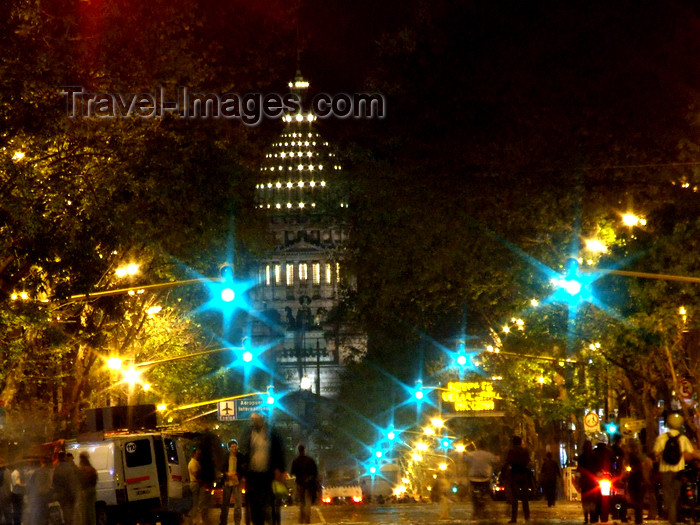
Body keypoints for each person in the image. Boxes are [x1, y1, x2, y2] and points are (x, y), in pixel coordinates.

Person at [239, 412, 286, 525]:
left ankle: (270, 520)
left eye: (256, 420)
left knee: (268, 501)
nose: (254, 422)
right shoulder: (248, 433)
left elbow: (279, 451)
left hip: (267, 474)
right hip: (253, 474)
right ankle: (257, 521)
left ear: (262, 420)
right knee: (254, 503)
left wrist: (280, 469)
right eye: (252, 420)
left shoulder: (272, 433)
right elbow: (244, 450)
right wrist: (243, 470)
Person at [653, 412, 695, 525]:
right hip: (678, 471)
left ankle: (672, 517)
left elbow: (656, 453)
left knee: (668, 495)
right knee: (676, 495)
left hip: (665, 470)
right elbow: (690, 455)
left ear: (668, 424)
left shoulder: (662, 438)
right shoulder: (683, 439)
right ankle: (675, 516)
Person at [464, 446, 499, 518]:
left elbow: (464, 460)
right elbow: (496, 461)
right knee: (488, 494)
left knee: (473, 495)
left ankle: (475, 511)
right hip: (485, 478)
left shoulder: (471, 454)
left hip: (473, 478)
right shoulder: (489, 455)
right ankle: (494, 512)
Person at [505, 436, 532, 523]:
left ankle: (514, 518)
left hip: (515, 474)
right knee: (525, 497)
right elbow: (528, 461)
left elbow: (508, 461)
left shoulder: (511, 451)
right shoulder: (525, 451)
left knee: (515, 498)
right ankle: (527, 517)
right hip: (524, 474)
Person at [290, 444, 318, 524]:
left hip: (300, 483)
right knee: (308, 500)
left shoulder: (295, 461)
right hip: (309, 483)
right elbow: (315, 472)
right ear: (304, 450)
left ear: (298, 450)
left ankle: (301, 518)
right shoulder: (310, 460)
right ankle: (307, 517)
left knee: (302, 501)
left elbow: (292, 473)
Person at [219, 441, 245, 525]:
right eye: (232, 446)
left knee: (238, 504)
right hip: (227, 482)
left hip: (237, 482)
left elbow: (244, 468)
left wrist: (238, 474)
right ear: (229, 448)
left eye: (235, 446)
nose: (234, 448)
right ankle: (223, 521)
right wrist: (227, 473)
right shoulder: (225, 457)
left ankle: (237, 522)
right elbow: (221, 467)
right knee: (225, 504)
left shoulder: (240, 456)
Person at [52, 451, 80, 525]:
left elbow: (54, 482)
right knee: (72, 514)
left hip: (61, 494)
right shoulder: (69, 467)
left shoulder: (56, 468)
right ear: (65, 457)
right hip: (69, 494)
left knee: (65, 512)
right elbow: (73, 480)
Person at [77, 452, 97, 525]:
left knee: (84, 512)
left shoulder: (81, 469)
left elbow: (79, 481)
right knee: (91, 511)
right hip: (91, 490)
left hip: (84, 491)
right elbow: (94, 480)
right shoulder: (91, 469)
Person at [189, 449, 203, 525]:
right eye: (198, 453)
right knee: (195, 502)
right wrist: (201, 481)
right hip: (195, 483)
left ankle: (194, 519)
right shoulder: (193, 463)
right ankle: (194, 519)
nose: (199, 455)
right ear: (194, 454)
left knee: (196, 502)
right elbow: (196, 474)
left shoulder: (195, 462)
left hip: (195, 483)